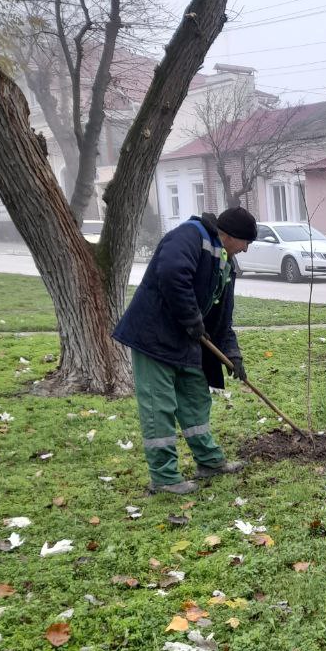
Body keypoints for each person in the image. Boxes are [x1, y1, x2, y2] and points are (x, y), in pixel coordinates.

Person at [114, 207, 257, 495]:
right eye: (245, 243)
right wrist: (192, 319)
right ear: (228, 235)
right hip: (154, 337)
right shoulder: (190, 236)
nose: (246, 249)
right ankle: (165, 477)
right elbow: (171, 273)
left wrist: (233, 355)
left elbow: (222, 319)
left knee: (195, 397)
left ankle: (209, 462)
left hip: (186, 341)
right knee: (160, 406)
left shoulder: (227, 264)